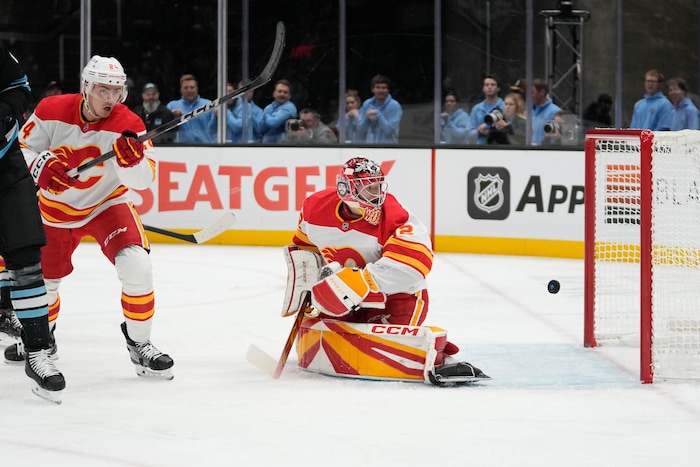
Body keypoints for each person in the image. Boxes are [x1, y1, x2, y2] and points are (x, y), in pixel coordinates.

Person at [9, 55, 175, 385]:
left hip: (106, 204)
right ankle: (41, 341)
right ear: (86, 88)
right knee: (47, 283)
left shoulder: (129, 123)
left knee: (137, 265)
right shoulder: (51, 109)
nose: (111, 99)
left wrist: (132, 161)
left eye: (117, 91)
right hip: (55, 209)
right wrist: (39, 165)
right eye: (103, 90)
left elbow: (144, 180)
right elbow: (20, 148)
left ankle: (139, 341)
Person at [281, 157, 489, 385]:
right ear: (345, 188)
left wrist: (360, 281)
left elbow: (413, 265)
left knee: (385, 346)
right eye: (368, 187)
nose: (377, 192)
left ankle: (440, 358)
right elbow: (306, 251)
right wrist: (307, 285)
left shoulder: (395, 215)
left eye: (378, 185)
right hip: (346, 300)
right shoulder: (314, 207)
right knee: (317, 334)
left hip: (396, 299)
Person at [0, 40, 65, 403]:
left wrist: (2, 110)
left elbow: (20, 89)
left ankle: (38, 351)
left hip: (6, 171)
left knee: (25, 259)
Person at [166, 74, 216, 143]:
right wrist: (172, 116)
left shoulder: (209, 105)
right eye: (186, 88)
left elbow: (216, 129)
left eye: (192, 87)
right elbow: (165, 130)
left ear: (197, 89)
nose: (189, 90)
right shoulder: (172, 106)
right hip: (180, 149)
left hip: (205, 148)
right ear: (181, 90)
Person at [356, 74, 403, 144]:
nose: (380, 91)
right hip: (369, 148)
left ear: (388, 90)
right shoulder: (367, 104)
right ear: (372, 89)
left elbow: (389, 131)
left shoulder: (395, 106)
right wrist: (366, 117)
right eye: (377, 87)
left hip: (389, 148)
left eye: (383, 88)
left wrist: (377, 114)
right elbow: (360, 130)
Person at [469, 75, 505, 144]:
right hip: (480, 150)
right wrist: (478, 131)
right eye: (487, 85)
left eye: (493, 85)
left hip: (500, 149)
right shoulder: (476, 109)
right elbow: (469, 133)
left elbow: (508, 130)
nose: (489, 87)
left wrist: (491, 131)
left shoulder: (505, 107)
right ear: (483, 88)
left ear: (498, 88)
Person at [260, 79, 297, 143]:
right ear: (274, 94)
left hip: (284, 146)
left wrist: (266, 115)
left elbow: (274, 123)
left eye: (285, 92)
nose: (282, 94)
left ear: (289, 96)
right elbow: (261, 128)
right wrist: (270, 117)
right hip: (267, 146)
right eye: (279, 91)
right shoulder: (269, 107)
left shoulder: (290, 107)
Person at [531, 78, 562, 145]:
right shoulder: (529, 111)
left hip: (546, 152)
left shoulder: (555, 112)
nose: (529, 96)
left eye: (532, 93)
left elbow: (559, 138)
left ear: (542, 92)